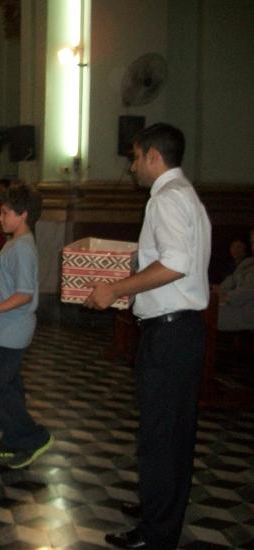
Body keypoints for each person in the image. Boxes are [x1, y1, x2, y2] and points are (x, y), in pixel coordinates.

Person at [85, 123, 211, 550]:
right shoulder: (187, 195)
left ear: (154, 156)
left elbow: (174, 264)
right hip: (182, 331)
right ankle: (160, 511)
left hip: (170, 333)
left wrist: (115, 289)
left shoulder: (165, 199)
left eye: (136, 157)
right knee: (172, 434)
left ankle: (157, 534)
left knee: (160, 436)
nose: (132, 166)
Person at [0, 184, 53, 468]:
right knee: (9, 383)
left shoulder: (22, 248)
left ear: (23, 215)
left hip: (11, 329)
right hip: (4, 327)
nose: (0, 218)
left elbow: (24, 295)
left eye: (5, 213)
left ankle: (33, 437)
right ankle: (13, 438)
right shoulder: (16, 243)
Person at [217, 228, 254, 331]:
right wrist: (217, 293)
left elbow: (249, 291)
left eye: (239, 247)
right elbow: (229, 282)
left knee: (207, 317)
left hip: (248, 312)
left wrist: (228, 297)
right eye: (253, 242)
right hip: (235, 306)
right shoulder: (247, 263)